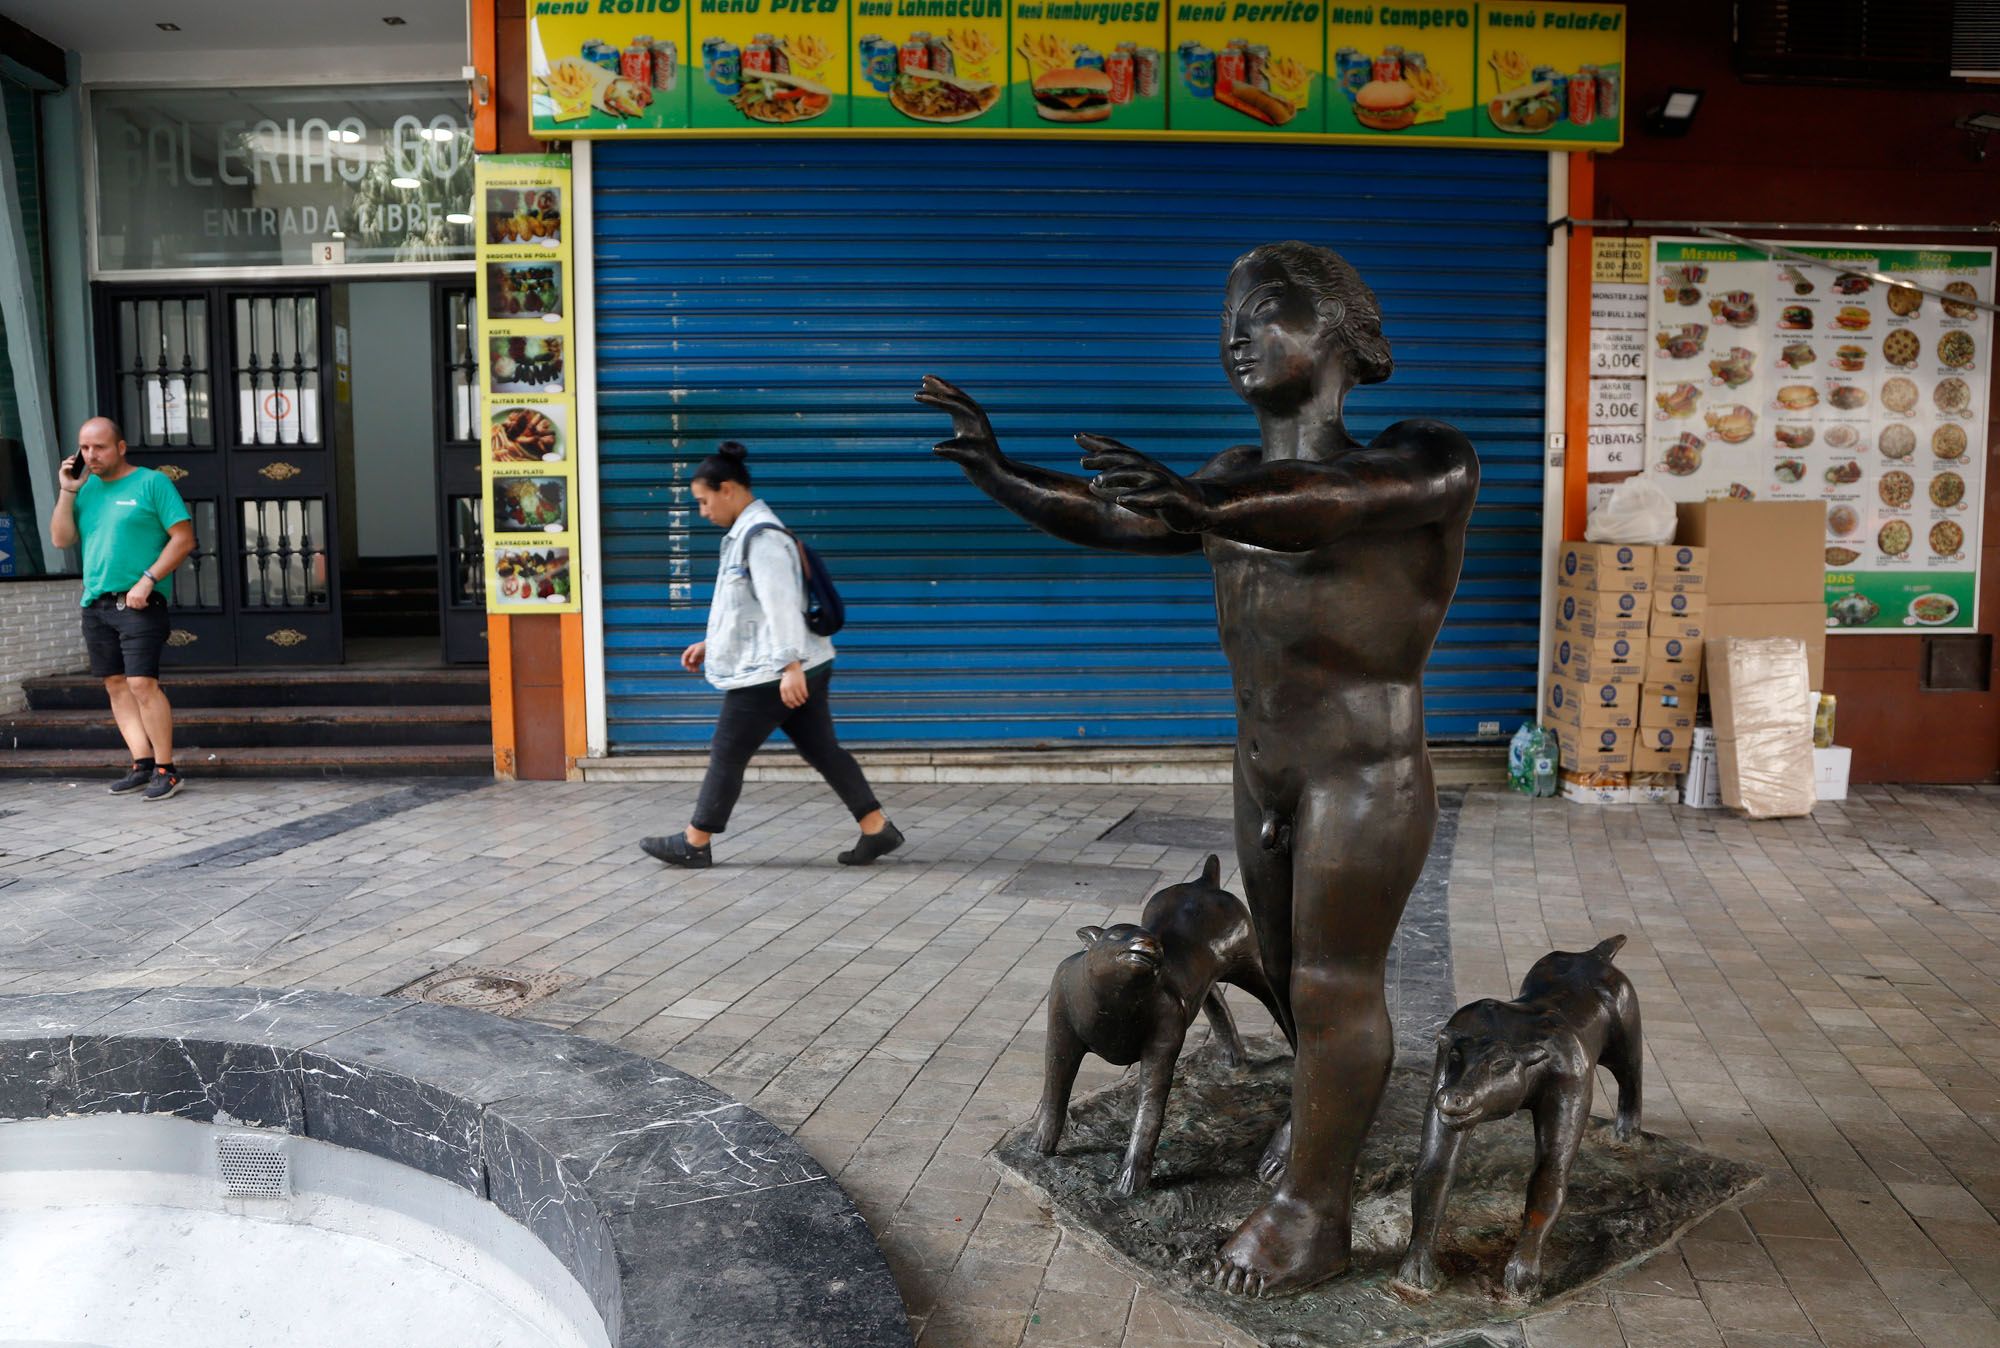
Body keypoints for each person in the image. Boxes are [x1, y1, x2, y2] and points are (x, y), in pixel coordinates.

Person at [917, 240, 1478, 1297]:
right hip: (1261, 773)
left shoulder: (1425, 455)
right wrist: (1001, 473)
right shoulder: (1221, 478)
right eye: (1227, 314)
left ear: (1344, 336)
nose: (1236, 331)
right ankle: (1314, 1132)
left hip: (1364, 778)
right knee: (1282, 968)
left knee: (1330, 982)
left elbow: (1334, 504)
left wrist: (1202, 508)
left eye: (1267, 309)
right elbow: (1107, 515)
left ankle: (1313, 1214)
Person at [639, 442, 904, 869]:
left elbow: (780, 605)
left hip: (774, 671)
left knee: (727, 750)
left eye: (704, 501)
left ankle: (695, 840)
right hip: (797, 662)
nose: (702, 511)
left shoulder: (760, 538)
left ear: (727, 489)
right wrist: (714, 644)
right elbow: (748, 607)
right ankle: (876, 828)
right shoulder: (749, 533)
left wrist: (789, 666)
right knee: (823, 750)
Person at [46, 417, 197, 800]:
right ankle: (141, 763)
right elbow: (61, 540)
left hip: (140, 602)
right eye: (84, 447)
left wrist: (148, 579)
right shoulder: (85, 488)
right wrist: (67, 491)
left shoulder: (152, 483)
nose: (90, 455)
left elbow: (183, 539)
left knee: (142, 684)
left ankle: (167, 768)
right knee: (116, 686)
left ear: (121, 447)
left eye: (99, 447)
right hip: (95, 603)